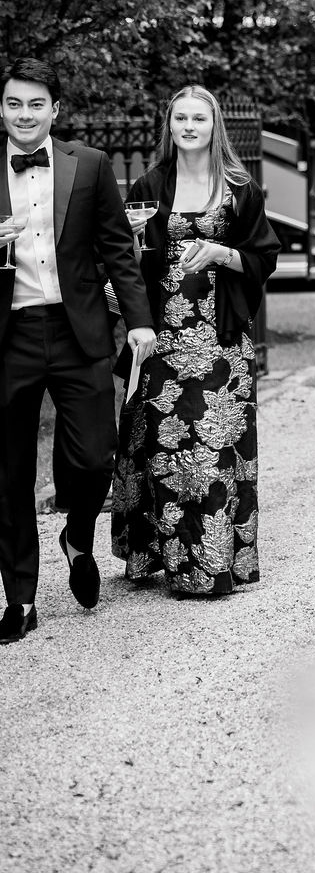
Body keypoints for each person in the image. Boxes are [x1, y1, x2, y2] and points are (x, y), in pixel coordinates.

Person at [0, 58, 156, 644]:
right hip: (9, 337)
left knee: (94, 457)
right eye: (14, 103)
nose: (25, 114)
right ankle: (20, 598)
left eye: (36, 104)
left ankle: (78, 535)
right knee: (9, 473)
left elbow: (118, 249)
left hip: (79, 331)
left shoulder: (88, 164)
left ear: (56, 110)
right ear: (1, 108)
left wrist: (139, 322)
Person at [109, 85, 279, 597]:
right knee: (162, 448)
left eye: (198, 119)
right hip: (163, 337)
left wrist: (221, 254)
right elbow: (124, 262)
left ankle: (210, 566)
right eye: (180, 118)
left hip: (219, 340)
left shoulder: (239, 188)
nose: (188, 126)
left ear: (214, 126)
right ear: (170, 125)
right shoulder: (149, 184)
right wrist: (133, 241)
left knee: (214, 450)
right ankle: (163, 556)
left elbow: (264, 256)